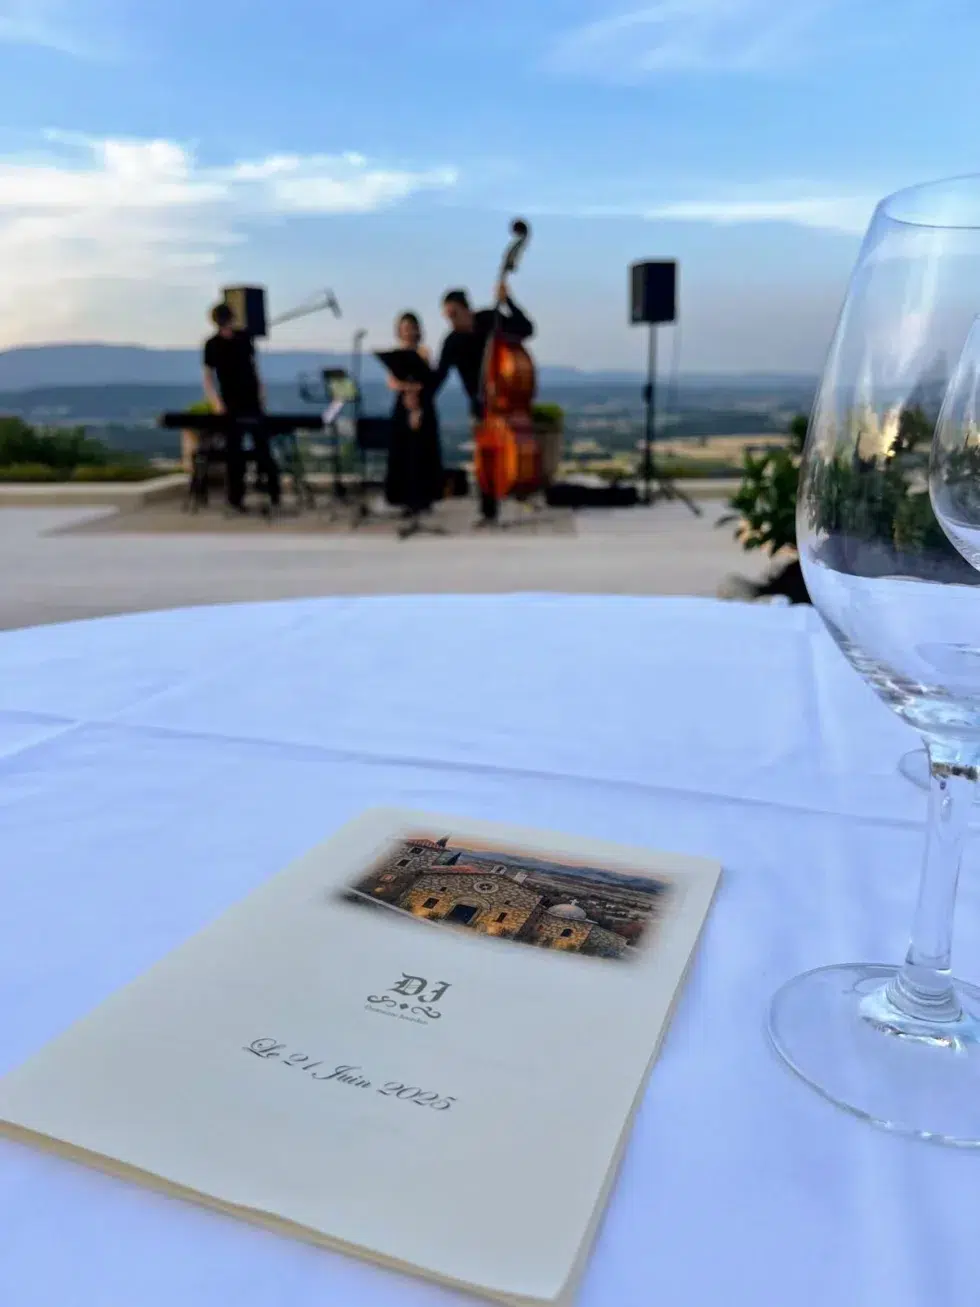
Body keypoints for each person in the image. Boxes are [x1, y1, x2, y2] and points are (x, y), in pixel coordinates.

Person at [430, 282, 534, 524]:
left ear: (467, 309)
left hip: (504, 402)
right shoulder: (452, 341)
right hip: (479, 405)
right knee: (485, 458)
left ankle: (518, 490)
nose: (451, 321)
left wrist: (509, 302)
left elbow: (526, 329)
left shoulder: (490, 319)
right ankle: (488, 510)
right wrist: (417, 390)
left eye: (454, 314)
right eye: (448, 317)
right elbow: (439, 377)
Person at [202, 303, 281, 513]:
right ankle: (236, 499)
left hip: (251, 399)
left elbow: (254, 368)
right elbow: (208, 377)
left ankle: (274, 494)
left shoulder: (244, 338)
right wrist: (216, 402)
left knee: (263, 448)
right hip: (230, 402)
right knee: (234, 453)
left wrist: (262, 393)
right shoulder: (212, 344)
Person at [383, 312, 444, 517]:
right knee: (402, 450)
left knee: (421, 451)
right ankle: (403, 498)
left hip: (422, 402)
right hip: (402, 404)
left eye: (410, 328)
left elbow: (425, 378)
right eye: (404, 328)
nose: (407, 332)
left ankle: (423, 499)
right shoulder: (396, 354)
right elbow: (391, 381)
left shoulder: (423, 352)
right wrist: (406, 388)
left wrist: (414, 396)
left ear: (417, 330)